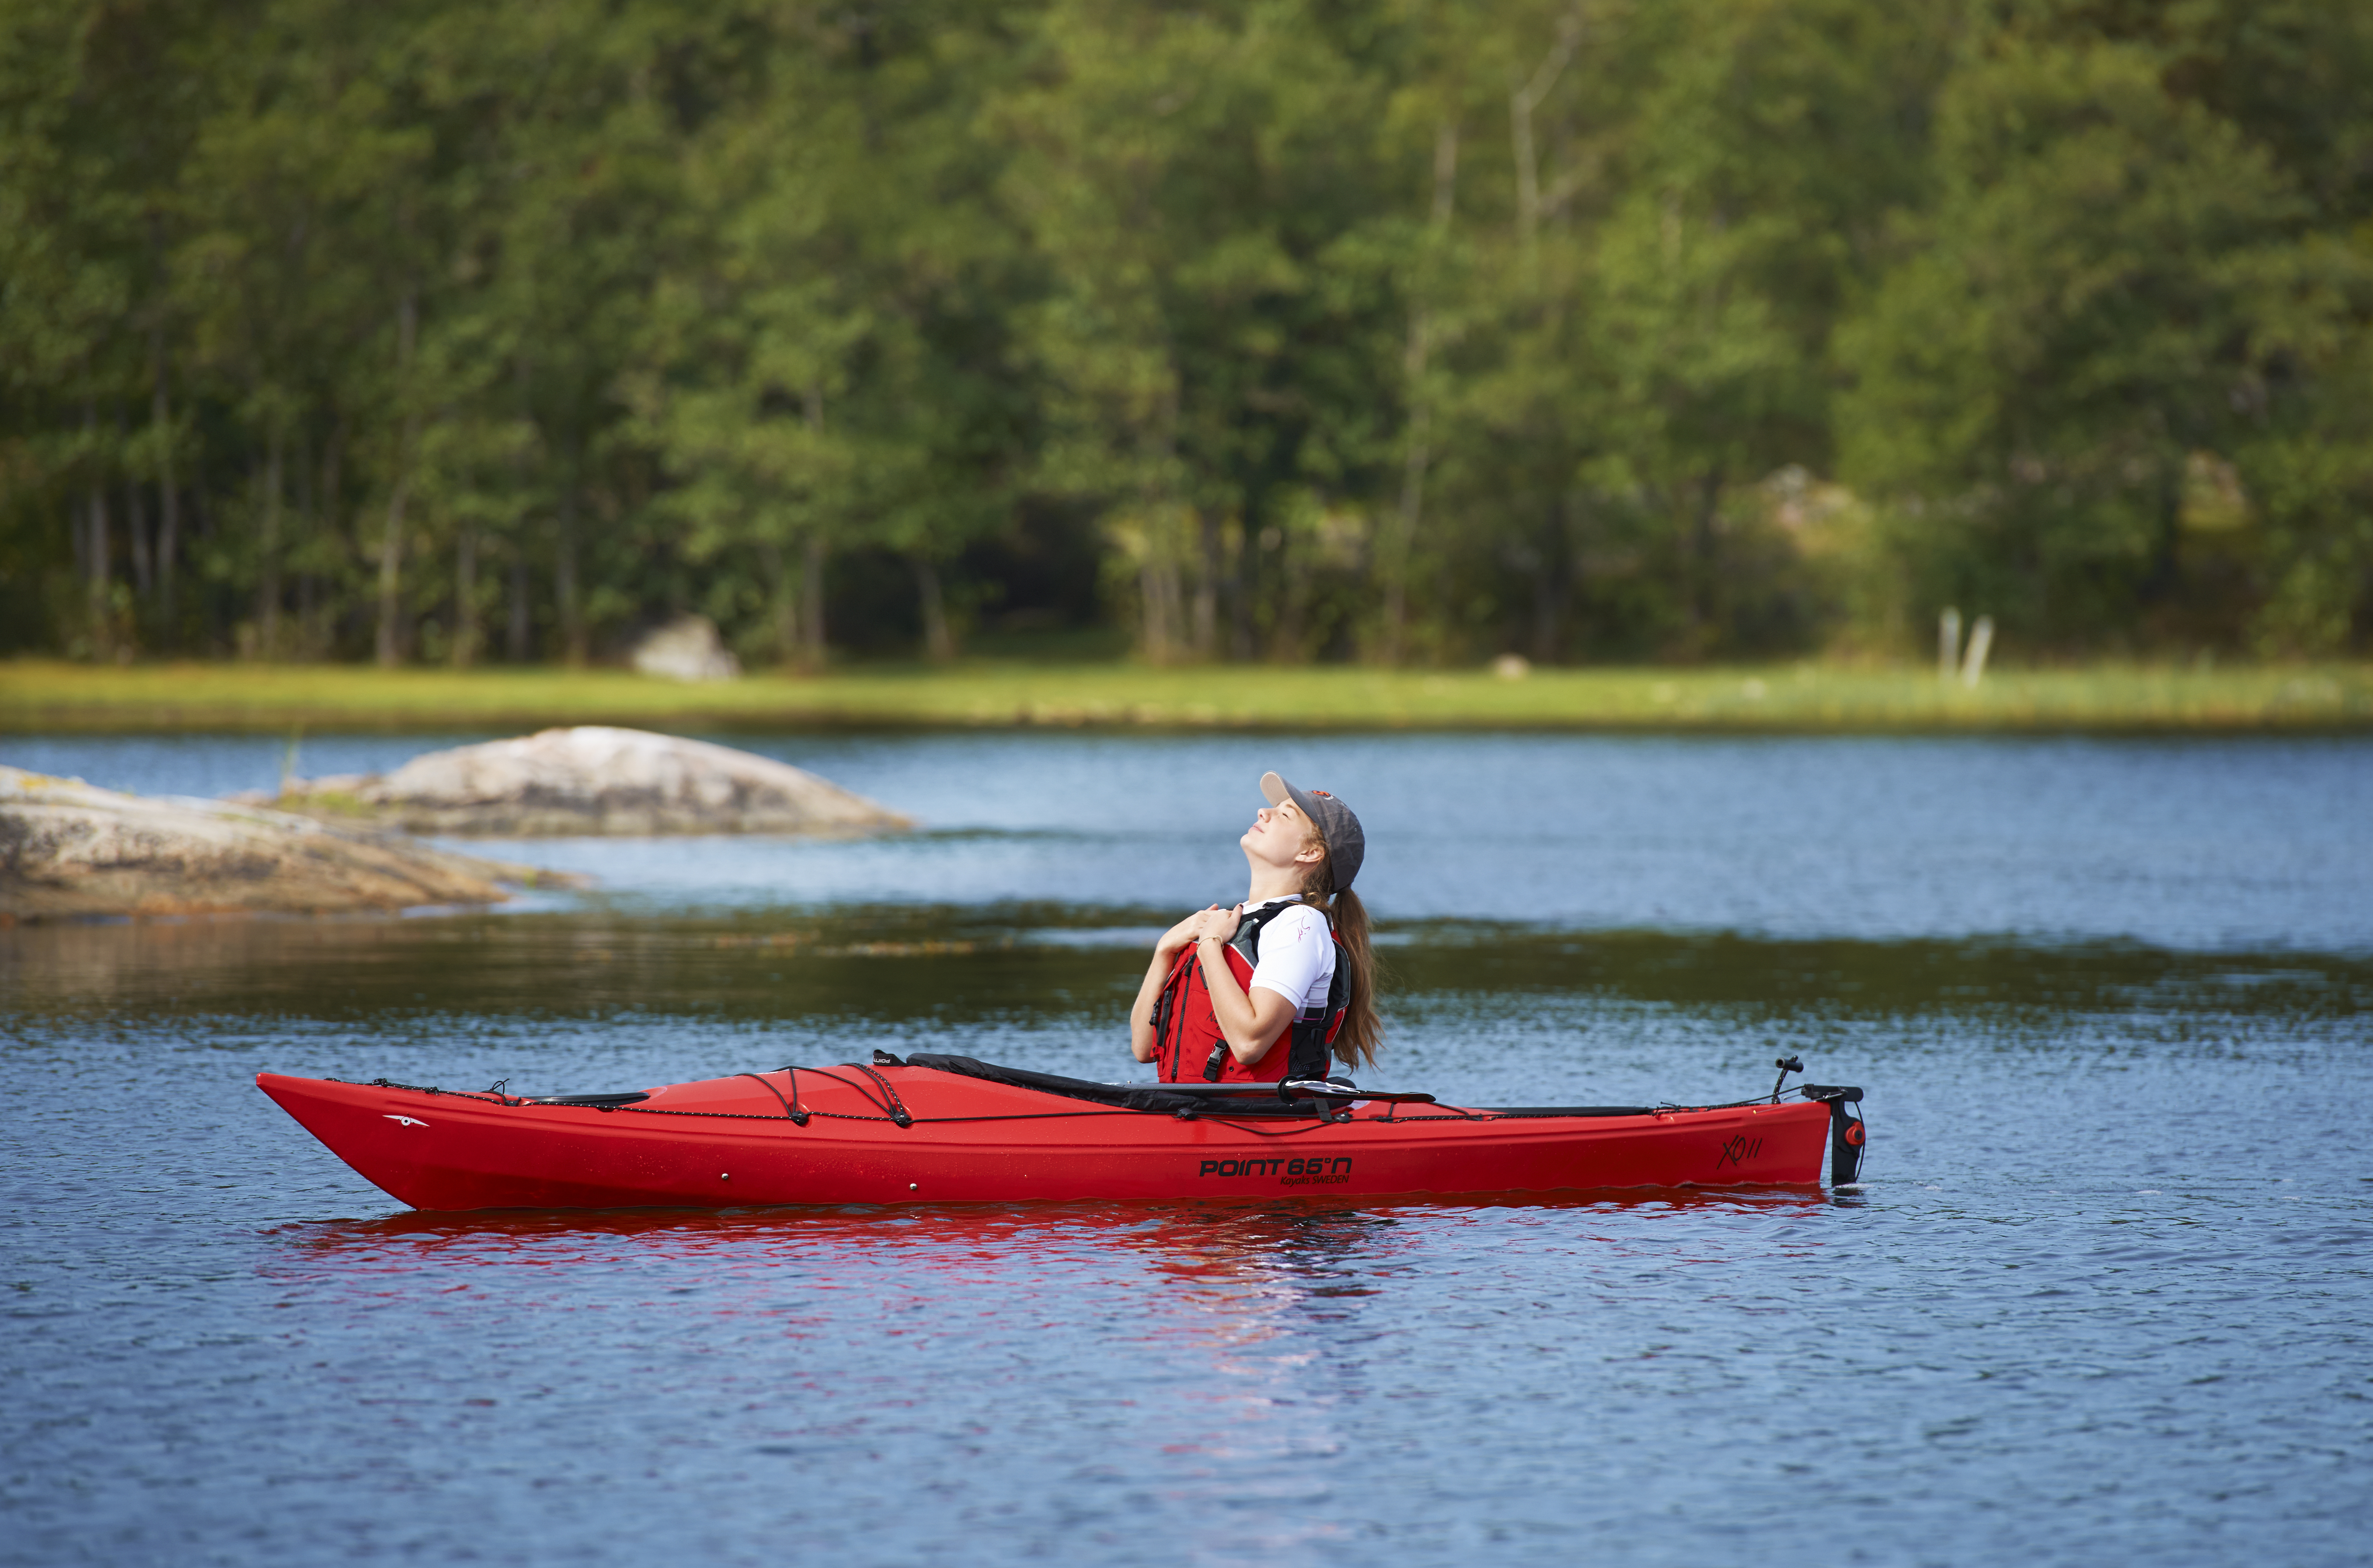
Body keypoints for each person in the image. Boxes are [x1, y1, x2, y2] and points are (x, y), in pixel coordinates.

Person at [1129, 771, 1381, 1084]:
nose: (1263, 812)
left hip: (1258, 1118)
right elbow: (1142, 1048)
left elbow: (1249, 1045)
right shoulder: (1233, 923)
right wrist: (1164, 950)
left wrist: (1209, 947)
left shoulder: (1301, 924)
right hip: (1191, 1108)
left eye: (1285, 815)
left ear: (1309, 853)